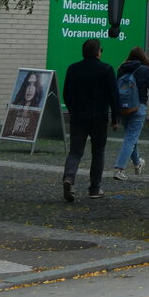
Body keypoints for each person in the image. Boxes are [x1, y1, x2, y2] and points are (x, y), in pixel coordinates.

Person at [61, 39, 119, 201]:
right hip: (99, 118)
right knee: (98, 152)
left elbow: (67, 94)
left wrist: (73, 111)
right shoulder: (106, 69)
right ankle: (94, 188)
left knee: (75, 151)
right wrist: (115, 118)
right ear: (98, 52)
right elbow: (114, 96)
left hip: (78, 117)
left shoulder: (73, 69)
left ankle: (69, 177)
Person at [111, 47, 149, 180]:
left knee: (131, 137)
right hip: (138, 107)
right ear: (143, 57)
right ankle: (119, 169)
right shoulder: (145, 70)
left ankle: (137, 164)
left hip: (124, 108)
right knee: (130, 138)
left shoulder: (121, 69)